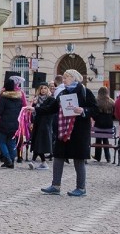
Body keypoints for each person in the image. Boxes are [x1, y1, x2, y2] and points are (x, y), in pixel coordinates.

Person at [33, 69, 96, 197]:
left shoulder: (85, 92)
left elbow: (95, 109)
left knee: (79, 159)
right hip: (63, 130)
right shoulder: (63, 93)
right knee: (58, 157)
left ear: (74, 78)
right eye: (64, 77)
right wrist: (35, 109)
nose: (64, 79)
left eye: (67, 77)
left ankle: (81, 188)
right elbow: (52, 108)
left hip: (79, 131)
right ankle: (55, 185)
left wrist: (83, 110)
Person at [0, 78, 23, 169]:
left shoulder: (4, 98)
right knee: (12, 142)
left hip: (5, 123)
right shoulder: (19, 98)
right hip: (15, 124)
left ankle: (7, 159)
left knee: (2, 141)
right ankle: (12, 161)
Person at [27, 82, 53, 170]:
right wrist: (33, 105)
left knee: (39, 142)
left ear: (48, 89)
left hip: (45, 124)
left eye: (45, 88)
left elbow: (48, 111)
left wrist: (36, 108)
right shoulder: (36, 99)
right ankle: (43, 163)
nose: (43, 90)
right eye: (41, 88)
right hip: (37, 123)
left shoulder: (50, 99)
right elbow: (33, 113)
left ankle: (33, 161)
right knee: (37, 143)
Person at [91, 86, 115, 163]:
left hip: (98, 124)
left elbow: (93, 114)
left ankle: (97, 156)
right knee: (106, 139)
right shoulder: (112, 102)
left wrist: (96, 118)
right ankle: (108, 157)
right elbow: (114, 115)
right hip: (109, 125)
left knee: (98, 140)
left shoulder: (96, 101)